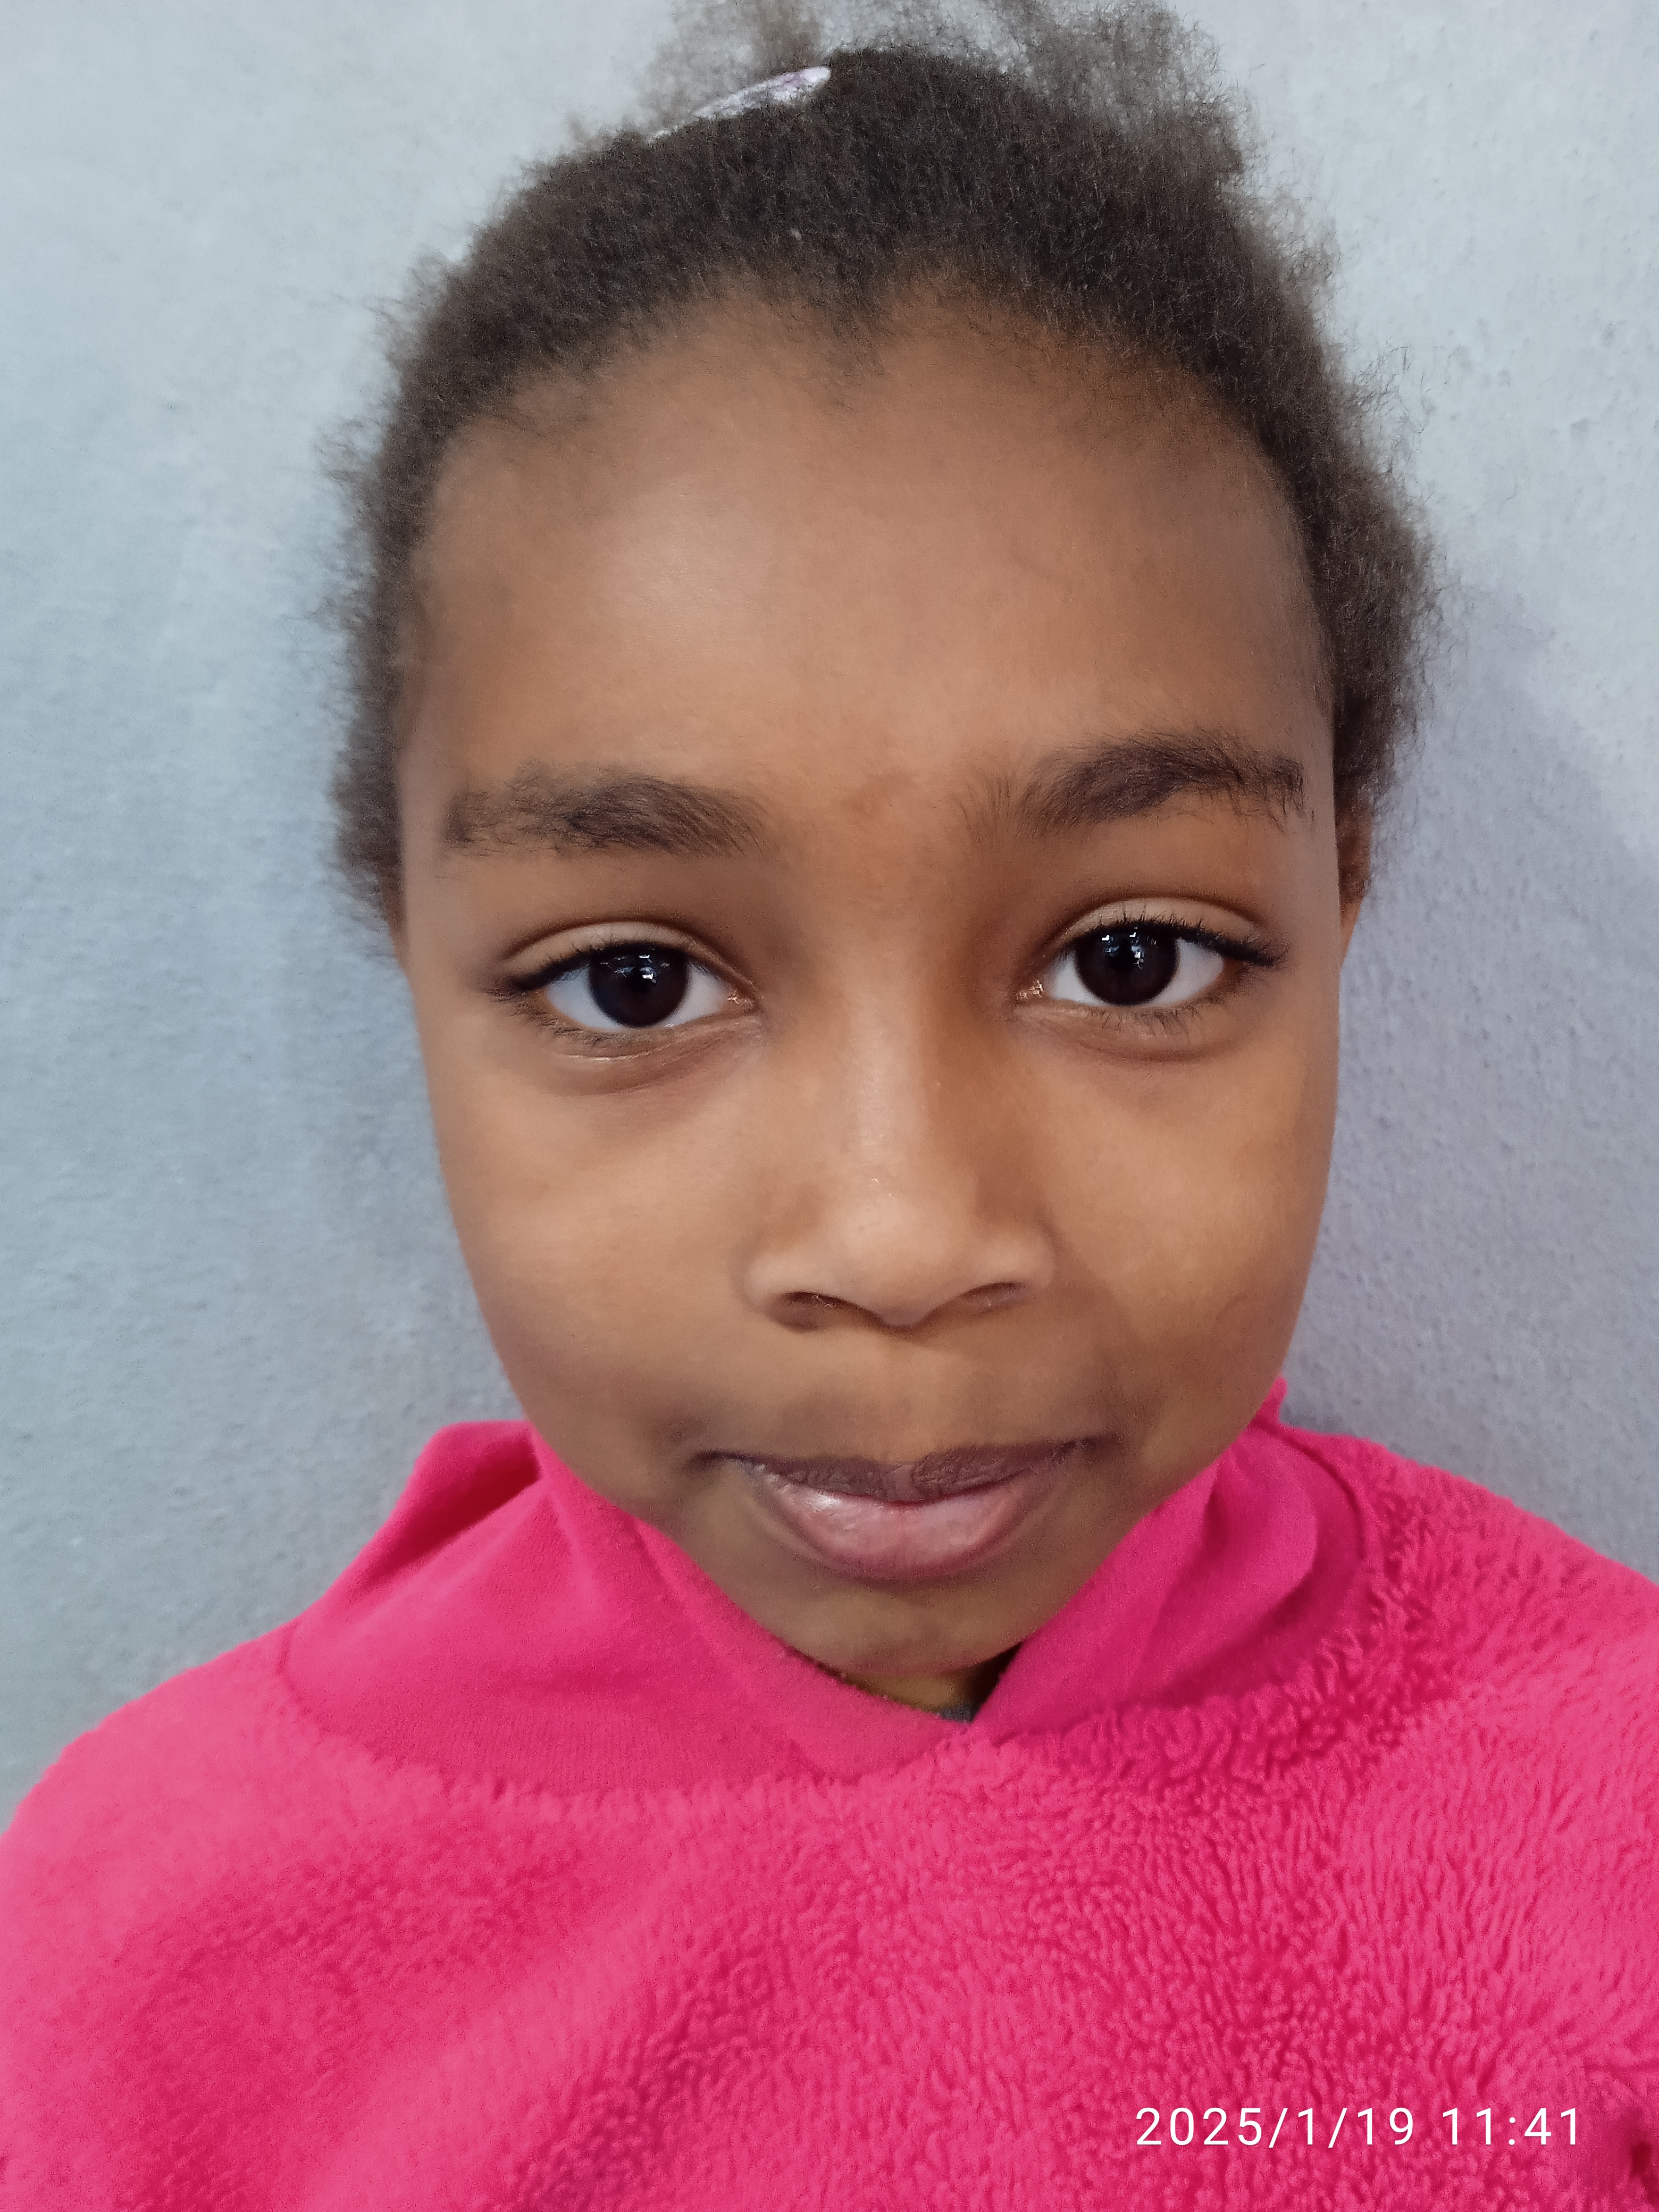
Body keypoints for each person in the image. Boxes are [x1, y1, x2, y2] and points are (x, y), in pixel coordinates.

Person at [3, 5, 1655, 2204]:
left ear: (1337, 897)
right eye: (636, 982)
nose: (899, 1236)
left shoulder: (1607, 1804)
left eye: (1131, 959)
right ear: (408, 938)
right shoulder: (133, 1964)